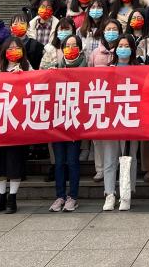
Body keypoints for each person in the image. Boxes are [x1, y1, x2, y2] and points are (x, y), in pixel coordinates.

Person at [0, 38, 30, 213]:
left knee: (15, 160)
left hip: (18, 122)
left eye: (17, 48)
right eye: (10, 48)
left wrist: (22, 76)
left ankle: (12, 198)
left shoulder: (27, 68)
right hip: (0, 121)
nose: (13, 51)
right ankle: (0, 197)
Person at [100, 33, 139, 211]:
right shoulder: (108, 69)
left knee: (129, 158)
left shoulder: (139, 69)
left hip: (131, 119)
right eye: (120, 46)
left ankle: (126, 193)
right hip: (111, 119)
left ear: (132, 49)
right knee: (109, 159)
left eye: (127, 46)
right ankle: (109, 193)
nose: (123, 49)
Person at [48, 35, 86, 212]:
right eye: (67, 45)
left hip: (75, 120)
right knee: (59, 162)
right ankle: (60, 196)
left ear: (80, 48)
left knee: (72, 161)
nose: (70, 48)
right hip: (58, 121)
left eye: (74, 45)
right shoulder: (56, 67)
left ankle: (73, 196)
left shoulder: (86, 68)